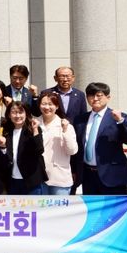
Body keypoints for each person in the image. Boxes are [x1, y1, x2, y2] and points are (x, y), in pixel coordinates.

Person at [73, 82, 127, 253]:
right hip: (88, 173)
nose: (95, 99)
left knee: (113, 214)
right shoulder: (81, 119)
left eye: (99, 95)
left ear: (108, 97)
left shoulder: (117, 117)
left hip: (112, 174)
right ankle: (95, 246)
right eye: (91, 95)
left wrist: (121, 121)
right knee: (93, 212)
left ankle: (113, 252)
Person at [38, 66, 88, 194]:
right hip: (51, 136)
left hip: (70, 135)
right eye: (62, 76)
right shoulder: (47, 93)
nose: (65, 79)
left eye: (68, 76)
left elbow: (83, 117)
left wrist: (69, 130)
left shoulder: (79, 95)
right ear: (55, 78)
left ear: (73, 78)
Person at [0, 101, 47, 195]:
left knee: (33, 205)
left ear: (26, 114)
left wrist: (35, 130)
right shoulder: (6, 131)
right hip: (12, 180)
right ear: (9, 115)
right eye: (14, 112)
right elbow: (4, 157)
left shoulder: (33, 129)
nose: (17, 115)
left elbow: (39, 150)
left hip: (31, 179)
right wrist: (3, 147)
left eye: (21, 112)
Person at [36, 92, 78, 195]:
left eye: (50, 104)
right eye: (44, 104)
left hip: (59, 178)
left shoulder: (66, 126)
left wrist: (65, 131)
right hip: (38, 177)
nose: (47, 107)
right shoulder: (34, 123)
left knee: (59, 206)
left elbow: (72, 151)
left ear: (57, 106)